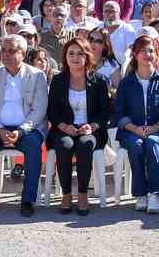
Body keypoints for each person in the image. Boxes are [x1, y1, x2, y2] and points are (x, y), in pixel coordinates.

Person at [0, 33, 49, 216]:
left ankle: (27, 200)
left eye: (12, 51)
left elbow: (39, 110)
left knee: (33, 146)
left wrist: (21, 131)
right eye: (4, 50)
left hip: (27, 129)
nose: (6, 54)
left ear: (23, 53)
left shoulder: (37, 76)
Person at [113, 33, 159, 214]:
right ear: (135, 54)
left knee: (152, 142)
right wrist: (135, 128)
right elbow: (118, 112)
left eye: (151, 51)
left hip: (157, 130)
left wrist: (155, 127)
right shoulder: (126, 83)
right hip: (131, 131)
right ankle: (141, 194)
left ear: (157, 54)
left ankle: (155, 194)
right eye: (142, 51)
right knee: (136, 145)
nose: (147, 55)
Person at [47, 36, 111, 215]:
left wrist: (93, 126)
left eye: (80, 53)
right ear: (65, 57)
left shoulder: (98, 80)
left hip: (91, 129)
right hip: (64, 128)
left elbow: (105, 111)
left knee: (84, 144)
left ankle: (82, 193)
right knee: (64, 144)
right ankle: (66, 194)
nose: (75, 57)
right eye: (71, 53)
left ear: (87, 56)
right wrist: (63, 126)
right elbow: (51, 111)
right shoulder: (58, 80)